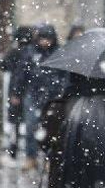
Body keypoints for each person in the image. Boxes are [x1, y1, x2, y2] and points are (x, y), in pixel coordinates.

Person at [10, 24, 69, 172]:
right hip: (33, 94)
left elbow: (64, 76)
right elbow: (21, 73)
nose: (45, 42)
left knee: (52, 129)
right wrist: (17, 92)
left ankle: (49, 159)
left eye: (47, 39)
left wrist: (63, 92)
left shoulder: (59, 53)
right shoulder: (29, 52)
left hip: (53, 97)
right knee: (31, 127)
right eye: (42, 38)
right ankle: (31, 157)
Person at [0, 26, 34, 163]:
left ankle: (14, 152)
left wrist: (16, 92)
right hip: (29, 92)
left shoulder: (16, 52)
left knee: (16, 124)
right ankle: (26, 154)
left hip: (18, 91)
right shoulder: (31, 52)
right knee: (25, 124)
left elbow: (2, 65)